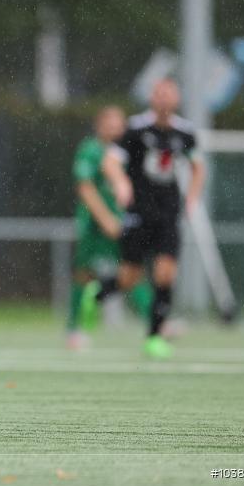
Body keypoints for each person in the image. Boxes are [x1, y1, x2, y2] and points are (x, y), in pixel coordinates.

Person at [102, 79, 205, 358]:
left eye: (169, 93)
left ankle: (154, 336)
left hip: (168, 214)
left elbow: (198, 167)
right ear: (151, 97)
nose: (163, 98)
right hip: (138, 212)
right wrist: (121, 183)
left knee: (165, 274)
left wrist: (192, 198)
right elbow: (110, 162)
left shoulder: (184, 132)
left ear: (177, 98)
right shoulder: (135, 129)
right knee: (129, 277)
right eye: (159, 93)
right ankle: (98, 293)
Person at [67, 106, 153, 350]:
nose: (116, 128)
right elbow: (85, 187)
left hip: (122, 221)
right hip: (93, 224)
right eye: (111, 123)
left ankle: (157, 322)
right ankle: (74, 329)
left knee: (132, 270)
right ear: (99, 125)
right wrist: (105, 219)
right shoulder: (90, 150)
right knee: (84, 274)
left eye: (120, 123)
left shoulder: (127, 151)